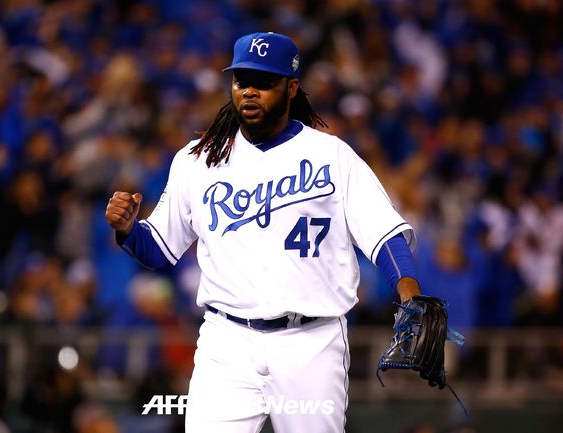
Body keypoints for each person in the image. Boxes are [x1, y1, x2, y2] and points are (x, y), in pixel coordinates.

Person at [106, 32, 421, 433]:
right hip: (227, 341)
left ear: (291, 88)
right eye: (242, 81)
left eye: (264, 82)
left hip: (311, 342)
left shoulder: (332, 156)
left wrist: (410, 293)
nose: (249, 91)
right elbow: (158, 249)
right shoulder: (197, 159)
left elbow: (384, 232)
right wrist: (128, 229)